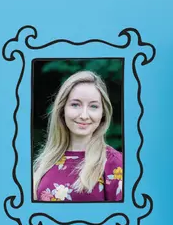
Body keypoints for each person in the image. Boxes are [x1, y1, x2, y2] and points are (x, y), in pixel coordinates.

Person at [32, 70, 123, 202]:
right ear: (62, 109)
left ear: (103, 113)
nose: (84, 115)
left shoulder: (115, 164)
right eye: (75, 105)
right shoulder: (45, 162)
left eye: (93, 106)